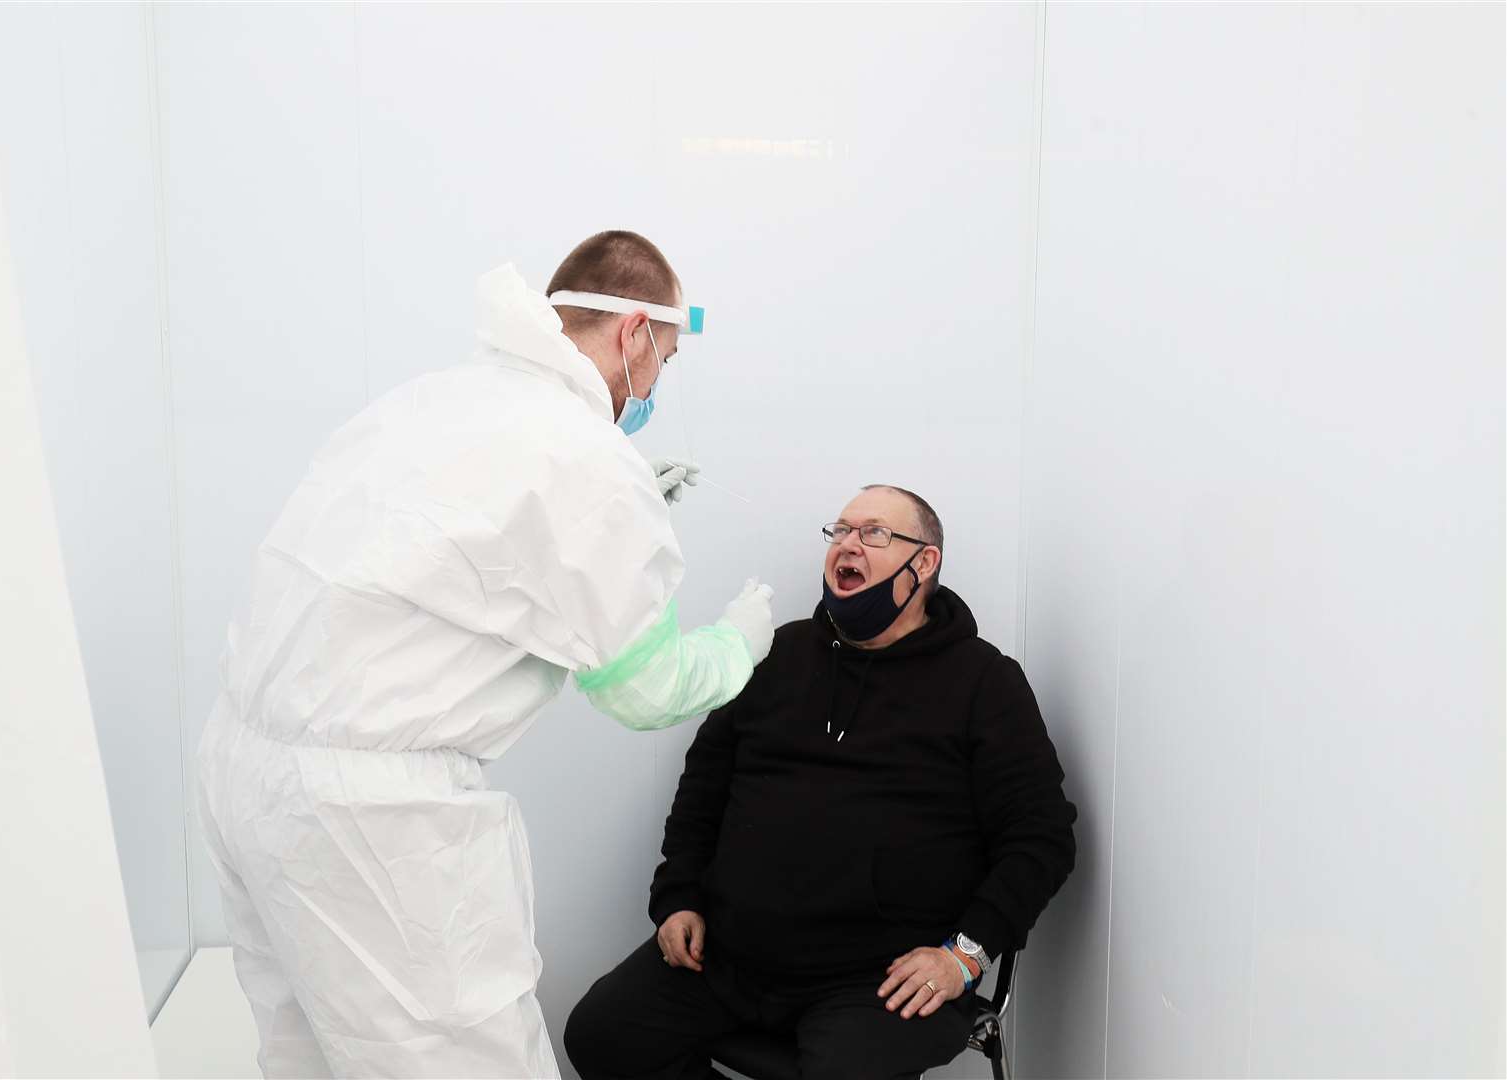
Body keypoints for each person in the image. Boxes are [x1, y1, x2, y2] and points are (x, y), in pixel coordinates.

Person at [197, 231, 775, 1079]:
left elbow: (439, 558)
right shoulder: (585, 458)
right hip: (370, 819)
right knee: (468, 1060)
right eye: (665, 359)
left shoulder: (431, 399)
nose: (654, 385)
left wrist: (610, 522)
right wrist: (738, 643)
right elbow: (644, 691)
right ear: (633, 335)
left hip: (244, 773)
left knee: (309, 1053)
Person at [565, 485, 1077, 1080]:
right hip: (734, 957)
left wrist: (963, 956)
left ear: (925, 562)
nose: (848, 545)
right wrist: (678, 895)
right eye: (840, 531)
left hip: (877, 979)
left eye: (874, 533)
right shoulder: (775, 654)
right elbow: (703, 787)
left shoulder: (985, 683)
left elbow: (1041, 837)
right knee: (603, 1034)